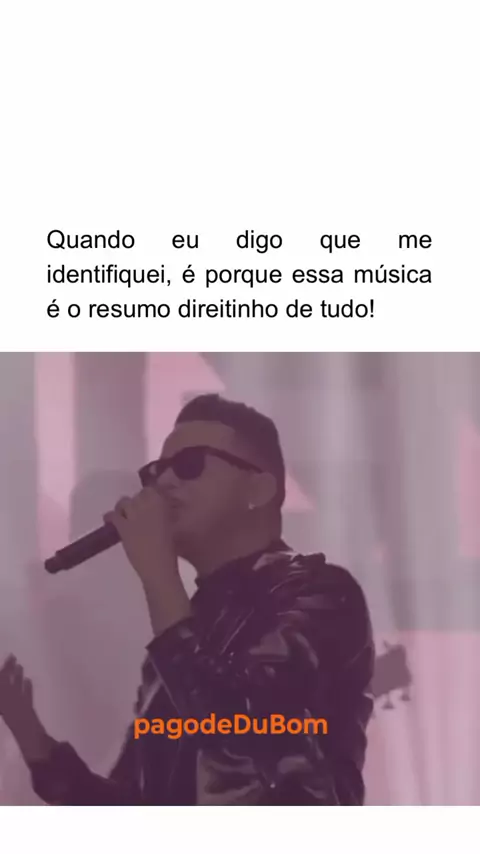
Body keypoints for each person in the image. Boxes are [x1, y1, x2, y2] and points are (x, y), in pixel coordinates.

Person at [0, 394, 374, 805]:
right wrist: (33, 739)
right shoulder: (180, 634)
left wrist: (158, 574)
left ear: (258, 488)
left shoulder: (319, 593)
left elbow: (241, 728)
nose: (163, 483)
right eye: (155, 471)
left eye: (189, 465)